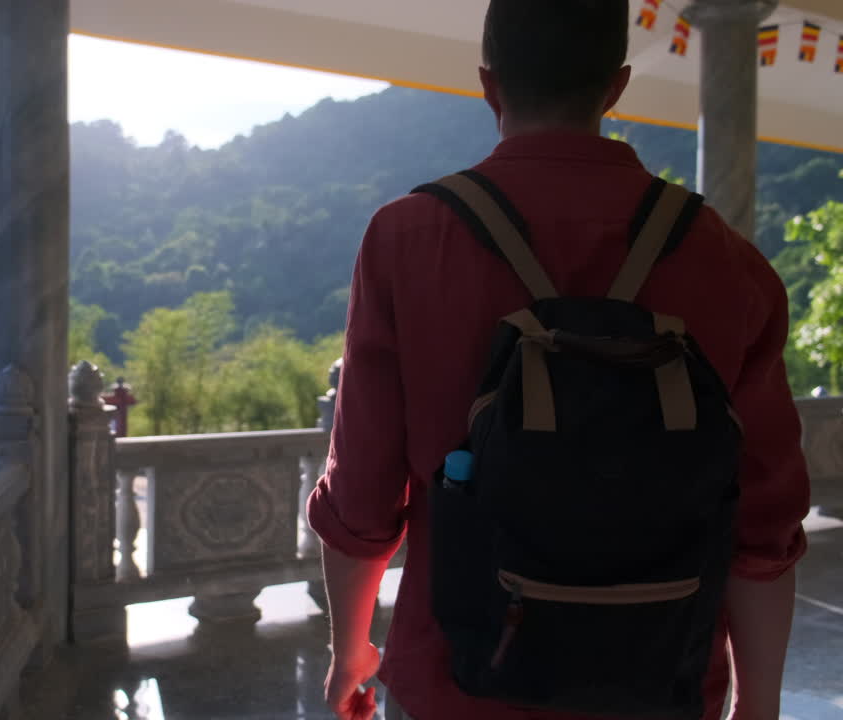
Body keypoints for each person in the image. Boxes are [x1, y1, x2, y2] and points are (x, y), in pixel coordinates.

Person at [305, 2, 811, 719]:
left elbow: (361, 493)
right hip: (664, 682)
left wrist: (349, 647)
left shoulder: (407, 239)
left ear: (489, 84)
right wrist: (759, 701)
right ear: (616, 86)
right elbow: (764, 519)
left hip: (457, 682)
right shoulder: (727, 259)